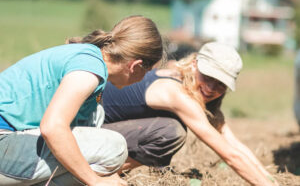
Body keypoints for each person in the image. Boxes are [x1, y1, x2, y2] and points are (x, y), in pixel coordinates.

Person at [0, 15, 164, 186]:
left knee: (95, 116)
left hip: (12, 142)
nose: (144, 78)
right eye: (147, 71)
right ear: (135, 66)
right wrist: (95, 180)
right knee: (114, 148)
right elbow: (52, 127)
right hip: (4, 142)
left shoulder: (87, 56)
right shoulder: (88, 71)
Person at [102, 42, 279, 186]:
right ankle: (99, 175)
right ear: (194, 64)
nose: (211, 88)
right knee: (171, 131)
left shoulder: (186, 82)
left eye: (220, 84)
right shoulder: (177, 93)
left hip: (101, 133)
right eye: (208, 77)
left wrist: (268, 179)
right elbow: (229, 155)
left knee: (170, 128)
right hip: (87, 134)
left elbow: (233, 144)